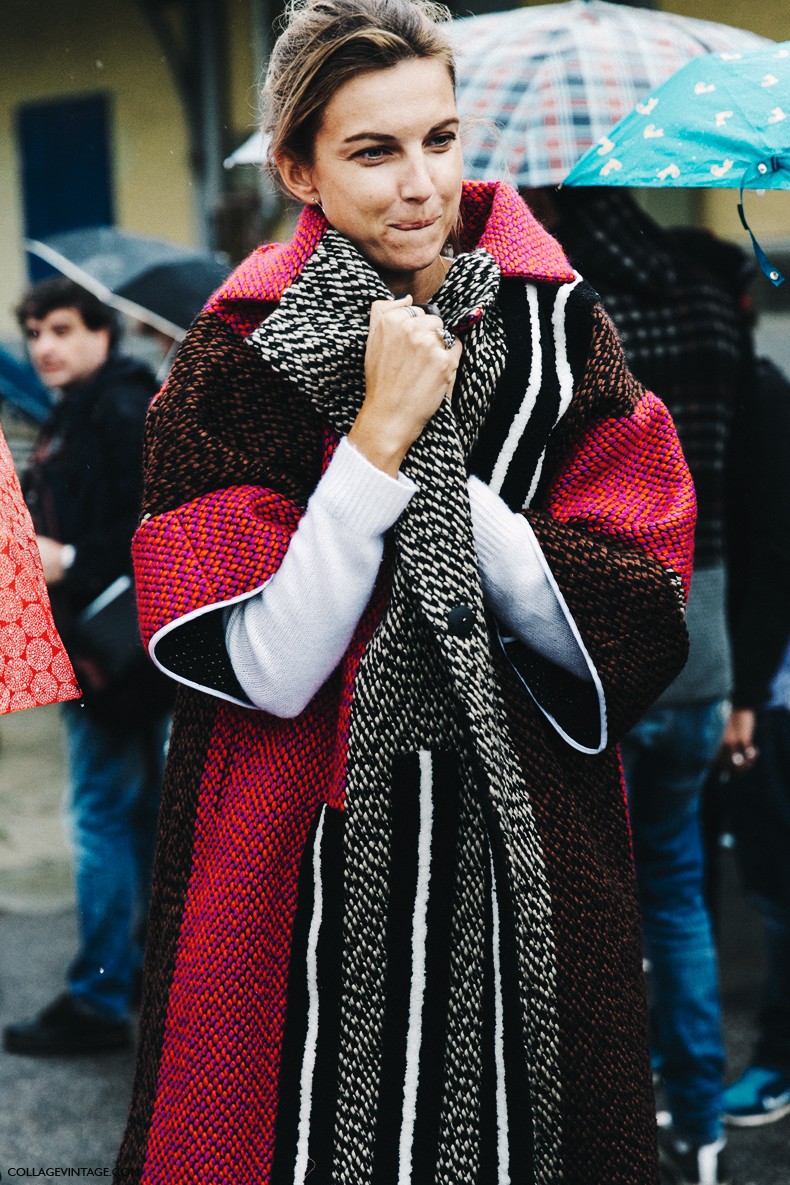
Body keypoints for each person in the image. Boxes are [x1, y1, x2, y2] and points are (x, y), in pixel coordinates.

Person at [115, 2, 695, 1182]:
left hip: (525, 821)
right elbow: (268, 665)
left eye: (439, 138)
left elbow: (630, 601)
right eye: (372, 152)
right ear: (300, 168)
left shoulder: (561, 326)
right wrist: (377, 442)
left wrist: (441, 479)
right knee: (302, 1132)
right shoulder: (234, 349)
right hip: (294, 830)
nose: (421, 183)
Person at [537, 186, 790, 1185]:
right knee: (679, 892)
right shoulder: (701, 308)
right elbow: (728, 501)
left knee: (587, 901)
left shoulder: (567, 313)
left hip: (593, 633)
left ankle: (602, 1123)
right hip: (702, 632)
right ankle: (701, 1125)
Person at [3, 276, 171, 1057]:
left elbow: (156, 534)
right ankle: (138, 967)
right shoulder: (76, 409)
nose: (44, 346)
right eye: (35, 331)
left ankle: (99, 993)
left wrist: (62, 555)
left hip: (121, 655)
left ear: (103, 331)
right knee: (134, 813)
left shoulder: (124, 410)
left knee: (99, 814)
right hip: (107, 653)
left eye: (62, 328)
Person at [719, 357, 790, 1129]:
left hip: (770, 691)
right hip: (768, 685)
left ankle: (777, 1057)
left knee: (776, 887)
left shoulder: (763, 393)